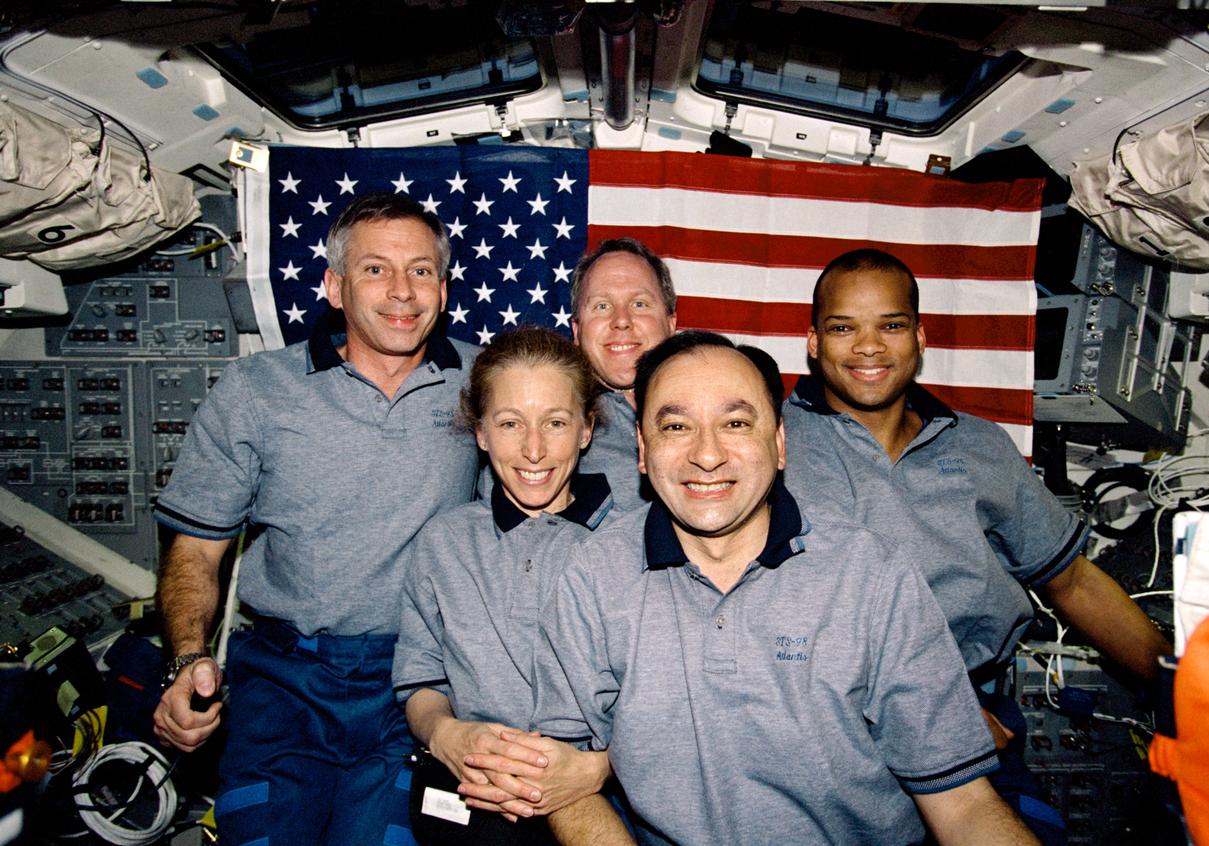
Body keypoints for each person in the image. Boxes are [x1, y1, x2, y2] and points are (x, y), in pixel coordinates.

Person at [533, 331, 1038, 845]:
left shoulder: (872, 576)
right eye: (676, 426)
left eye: (735, 423)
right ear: (642, 450)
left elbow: (964, 805)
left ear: (778, 444)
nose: (707, 455)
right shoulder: (593, 577)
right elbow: (566, 783)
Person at [784, 248, 1172, 839]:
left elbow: (1072, 583)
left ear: (919, 336)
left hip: (984, 712)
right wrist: (931, 712)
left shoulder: (981, 447)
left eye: (890, 325)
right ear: (813, 342)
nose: (868, 347)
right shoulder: (769, 442)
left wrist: (1183, 693)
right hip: (824, 715)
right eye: (843, 328)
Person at [151, 193, 480, 846]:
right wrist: (186, 659)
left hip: (415, 686)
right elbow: (196, 553)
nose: (402, 291)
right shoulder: (255, 391)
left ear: (443, 290)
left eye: (421, 271)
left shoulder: (484, 384)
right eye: (375, 269)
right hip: (282, 687)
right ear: (333, 286)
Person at [392, 326, 632, 845]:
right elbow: (420, 681)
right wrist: (447, 733)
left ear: (587, 429)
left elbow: (670, 707)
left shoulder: (633, 546)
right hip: (473, 785)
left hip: (599, 788)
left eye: (556, 422)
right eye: (509, 423)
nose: (533, 450)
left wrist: (598, 769)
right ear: (480, 432)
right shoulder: (445, 543)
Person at [570, 237, 677, 510]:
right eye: (602, 306)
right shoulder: (547, 430)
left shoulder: (721, 415)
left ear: (671, 323)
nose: (621, 321)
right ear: (576, 331)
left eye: (639, 304)